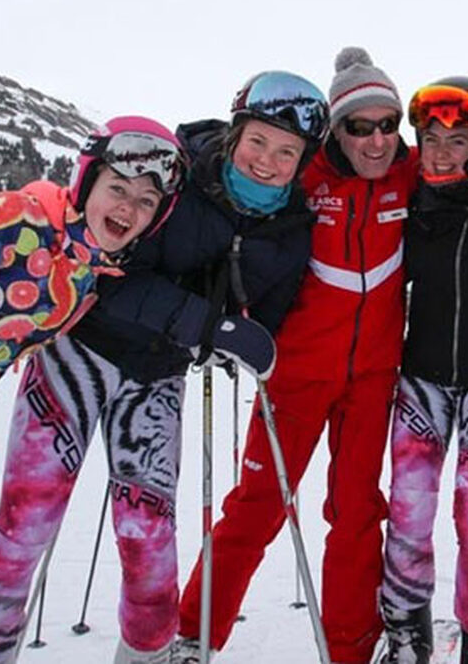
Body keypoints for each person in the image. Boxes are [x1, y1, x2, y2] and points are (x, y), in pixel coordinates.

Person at [0, 72, 328, 664]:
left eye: (287, 152)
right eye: (258, 141)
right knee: (26, 526)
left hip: (160, 378)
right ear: (235, 133)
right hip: (83, 351)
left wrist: (242, 336)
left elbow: (267, 315)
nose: (267, 161)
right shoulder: (174, 176)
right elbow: (104, 272)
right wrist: (204, 324)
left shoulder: (289, 232)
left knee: (149, 543)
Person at [174, 47, 419, 664]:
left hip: (373, 379)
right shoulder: (304, 178)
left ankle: (350, 649)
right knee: (257, 508)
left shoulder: (408, 175)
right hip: (296, 377)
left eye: (389, 124)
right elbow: (233, 178)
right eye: (359, 126)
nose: (376, 139)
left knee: (358, 512)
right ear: (334, 130)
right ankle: (193, 636)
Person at [0, 115, 185, 537]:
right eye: (117, 189)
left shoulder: (89, 273)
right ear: (87, 184)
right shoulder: (14, 220)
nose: (128, 207)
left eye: (146, 201)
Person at [375, 77, 468, 664]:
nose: (440, 151)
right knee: (410, 504)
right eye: (430, 138)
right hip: (424, 375)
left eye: (456, 140)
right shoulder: (412, 202)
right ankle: (406, 632)